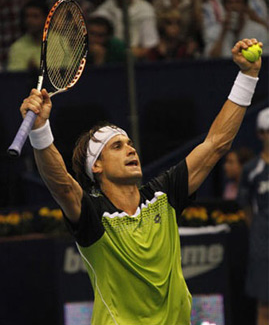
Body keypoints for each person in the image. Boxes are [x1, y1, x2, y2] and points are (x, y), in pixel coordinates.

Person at [19, 38, 262, 324]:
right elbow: (61, 184)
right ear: (96, 166)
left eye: (130, 143)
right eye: (117, 146)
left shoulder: (164, 194)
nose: (131, 149)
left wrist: (248, 75)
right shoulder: (93, 216)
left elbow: (216, 143)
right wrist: (40, 130)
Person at [237, 107, 269, 325]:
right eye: (267, 131)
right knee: (265, 305)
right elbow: (245, 206)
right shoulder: (251, 170)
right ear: (260, 134)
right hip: (263, 243)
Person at [93, 0, 159, 59]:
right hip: (108, 60)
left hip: (137, 62)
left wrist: (124, 53)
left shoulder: (145, 10)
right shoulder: (103, 11)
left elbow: (149, 47)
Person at [202, 0, 269, 57]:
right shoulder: (214, 31)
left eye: (238, 2)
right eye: (229, 2)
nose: (233, 6)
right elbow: (211, 60)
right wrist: (223, 32)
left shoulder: (259, 31)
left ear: (245, 6)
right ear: (224, 6)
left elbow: (264, 60)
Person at [7, 0, 48, 72]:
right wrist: (30, 73)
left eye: (35, 16)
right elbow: (14, 80)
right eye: (27, 16)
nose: (30, 20)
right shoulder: (17, 47)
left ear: (46, 19)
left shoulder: (61, 42)